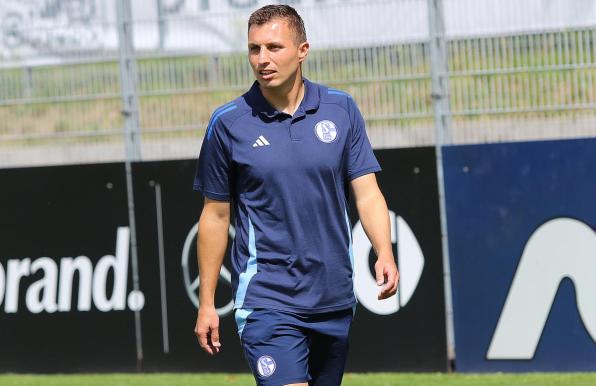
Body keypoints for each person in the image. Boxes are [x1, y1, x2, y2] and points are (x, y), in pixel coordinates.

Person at [193, 4, 398, 386]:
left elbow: (367, 193)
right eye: (254, 49)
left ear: (303, 50)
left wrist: (383, 251)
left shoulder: (341, 109)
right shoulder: (228, 123)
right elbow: (215, 216)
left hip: (333, 296)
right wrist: (207, 303)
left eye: (274, 47)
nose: (262, 59)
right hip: (268, 299)